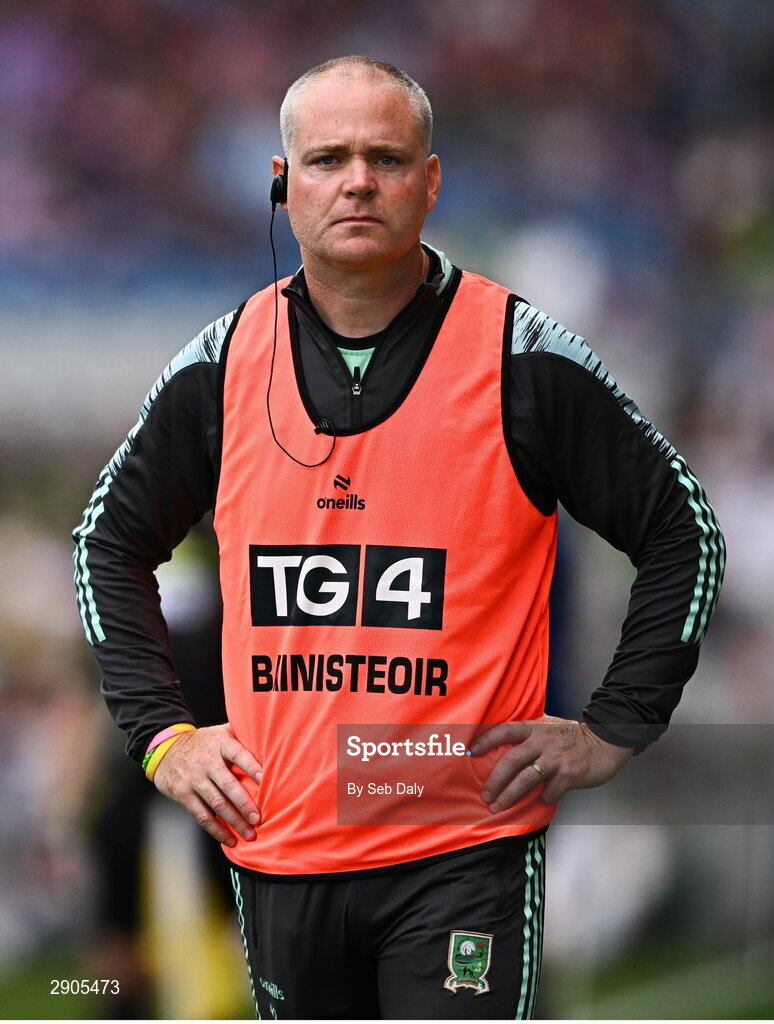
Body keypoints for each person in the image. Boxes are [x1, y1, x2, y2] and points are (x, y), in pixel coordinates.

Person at [73, 55, 725, 1020]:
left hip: (463, 849)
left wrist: (616, 724)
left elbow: (685, 533)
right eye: (329, 158)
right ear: (282, 185)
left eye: (387, 156)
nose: (358, 181)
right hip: (284, 849)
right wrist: (162, 738)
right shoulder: (220, 365)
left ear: (431, 181)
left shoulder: (522, 357)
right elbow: (105, 545)